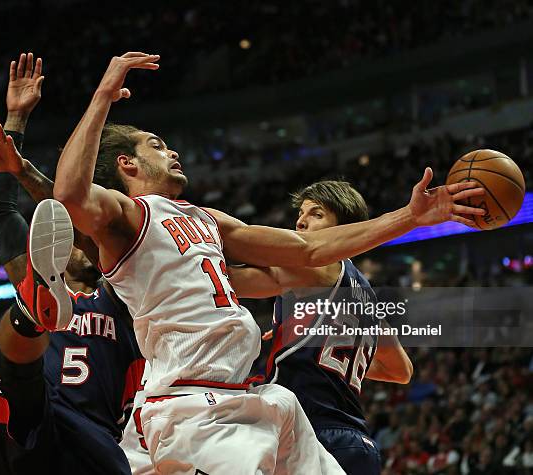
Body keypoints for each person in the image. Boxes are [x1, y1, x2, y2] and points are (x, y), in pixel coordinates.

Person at [51, 52, 485, 474]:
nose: (173, 152)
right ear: (127, 163)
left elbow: (308, 250)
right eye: (157, 145)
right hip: (191, 402)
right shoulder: (127, 215)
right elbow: (70, 195)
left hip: (254, 400)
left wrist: (412, 216)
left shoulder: (209, 219)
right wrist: (103, 96)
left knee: (284, 404)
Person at [0, 53, 143, 475]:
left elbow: (93, 229)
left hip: (94, 430)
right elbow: (0, 208)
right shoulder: (28, 268)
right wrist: (15, 118)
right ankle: (36, 309)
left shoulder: (120, 290)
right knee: (9, 382)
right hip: (31, 414)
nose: (82, 246)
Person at [227, 180, 414, 475]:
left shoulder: (317, 266)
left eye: (317, 214)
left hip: (311, 436)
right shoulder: (368, 298)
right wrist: (319, 340)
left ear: (345, 227)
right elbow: (401, 371)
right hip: (356, 442)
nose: (301, 220)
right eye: (301, 213)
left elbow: (233, 276)